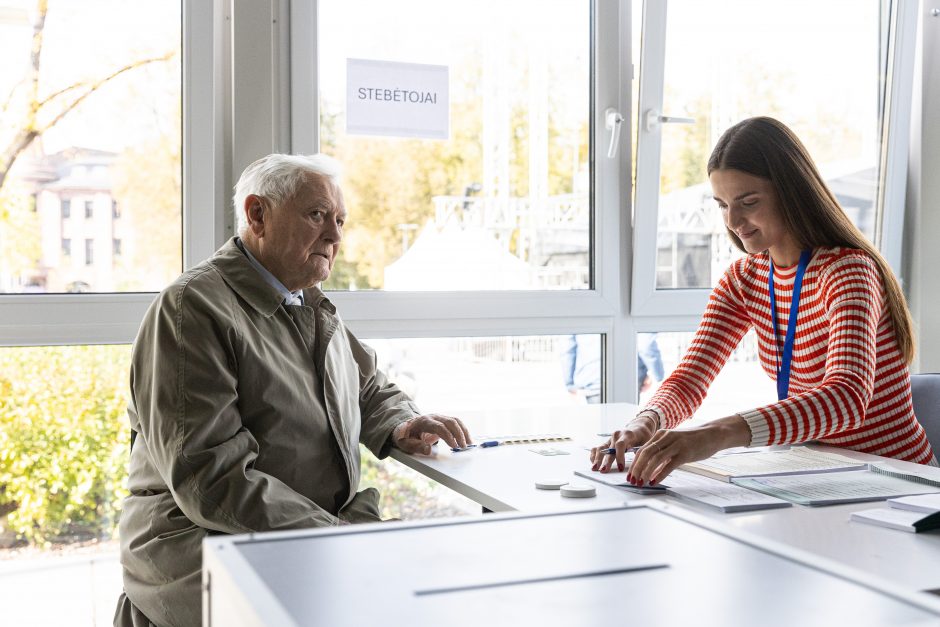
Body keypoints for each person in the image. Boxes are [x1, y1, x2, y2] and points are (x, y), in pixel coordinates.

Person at [113, 154, 472, 627]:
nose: (335, 236)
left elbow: (363, 384)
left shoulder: (305, 301)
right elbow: (212, 479)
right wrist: (338, 537)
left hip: (299, 534)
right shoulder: (192, 310)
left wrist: (401, 422)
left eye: (340, 220)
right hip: (200, 548)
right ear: (257, 214)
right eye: (317, 215)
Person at [591, 116, 937, 483]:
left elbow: (847, 399)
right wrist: (647, 421)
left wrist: (717, 434)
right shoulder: (745, 279)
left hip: (898, 481)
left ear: (791, 191)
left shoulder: (847, 270)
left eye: (748, 202)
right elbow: (689, 379)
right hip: (825, 475)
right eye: (722, 205)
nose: (733, 221)